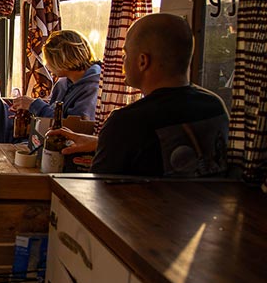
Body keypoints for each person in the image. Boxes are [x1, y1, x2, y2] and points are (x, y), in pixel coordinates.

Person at [47, 13, 229, 177]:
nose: (123, 60)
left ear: (143, 61)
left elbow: (97, 192)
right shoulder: (214, 105)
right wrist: (99, 142)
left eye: (126, 53)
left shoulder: (127, 122)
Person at [0, 29, 101, 144]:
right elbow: (49, 114)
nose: (47, 65)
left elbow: (74, 128)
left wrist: (35, 106)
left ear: (62, 59)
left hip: (50, 144)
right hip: (34, 133)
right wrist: (28, 114)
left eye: (49, 60)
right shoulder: (63, 83)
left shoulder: (93, 87)